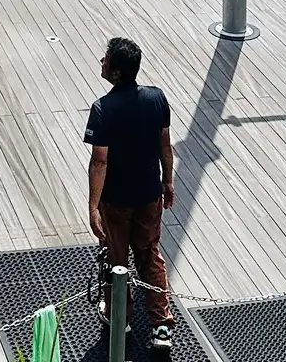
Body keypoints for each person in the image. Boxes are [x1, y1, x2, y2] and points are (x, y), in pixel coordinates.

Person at [84, 36, 174, 349]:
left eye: (106, 60)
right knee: (150, 256)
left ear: (117, 72)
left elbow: (100, 161)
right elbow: (165, 143)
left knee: (116, 257)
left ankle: (119, 317)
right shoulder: (157, 98)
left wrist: (93, 206)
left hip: (116, 202)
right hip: (150, 195)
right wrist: (168, 182)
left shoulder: (102, 109)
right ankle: (161, 326)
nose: (102, 62)